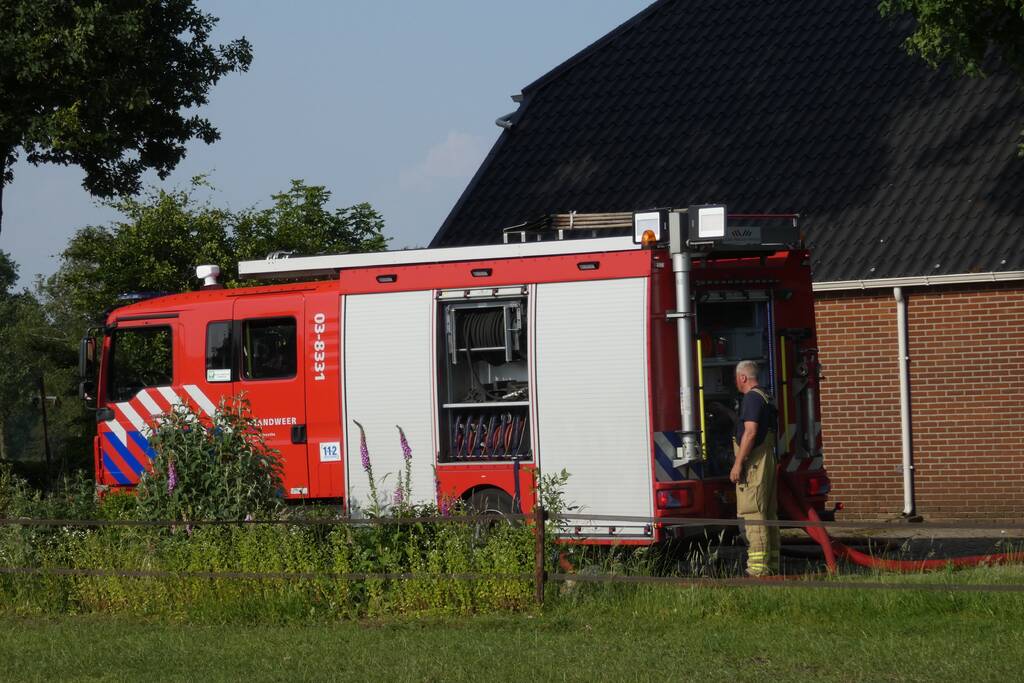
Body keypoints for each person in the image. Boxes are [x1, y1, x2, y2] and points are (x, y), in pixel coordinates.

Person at [729, 359, 779, 576]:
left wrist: (738, 463)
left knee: (753, 513)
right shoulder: (765, 396)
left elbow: (750, 432)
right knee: (767, 513)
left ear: (742, 377)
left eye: (736, 379)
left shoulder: (750, 398)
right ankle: (772, 564)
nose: (736, 383)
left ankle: (757, 570)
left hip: (754, 463)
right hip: (766, 458)